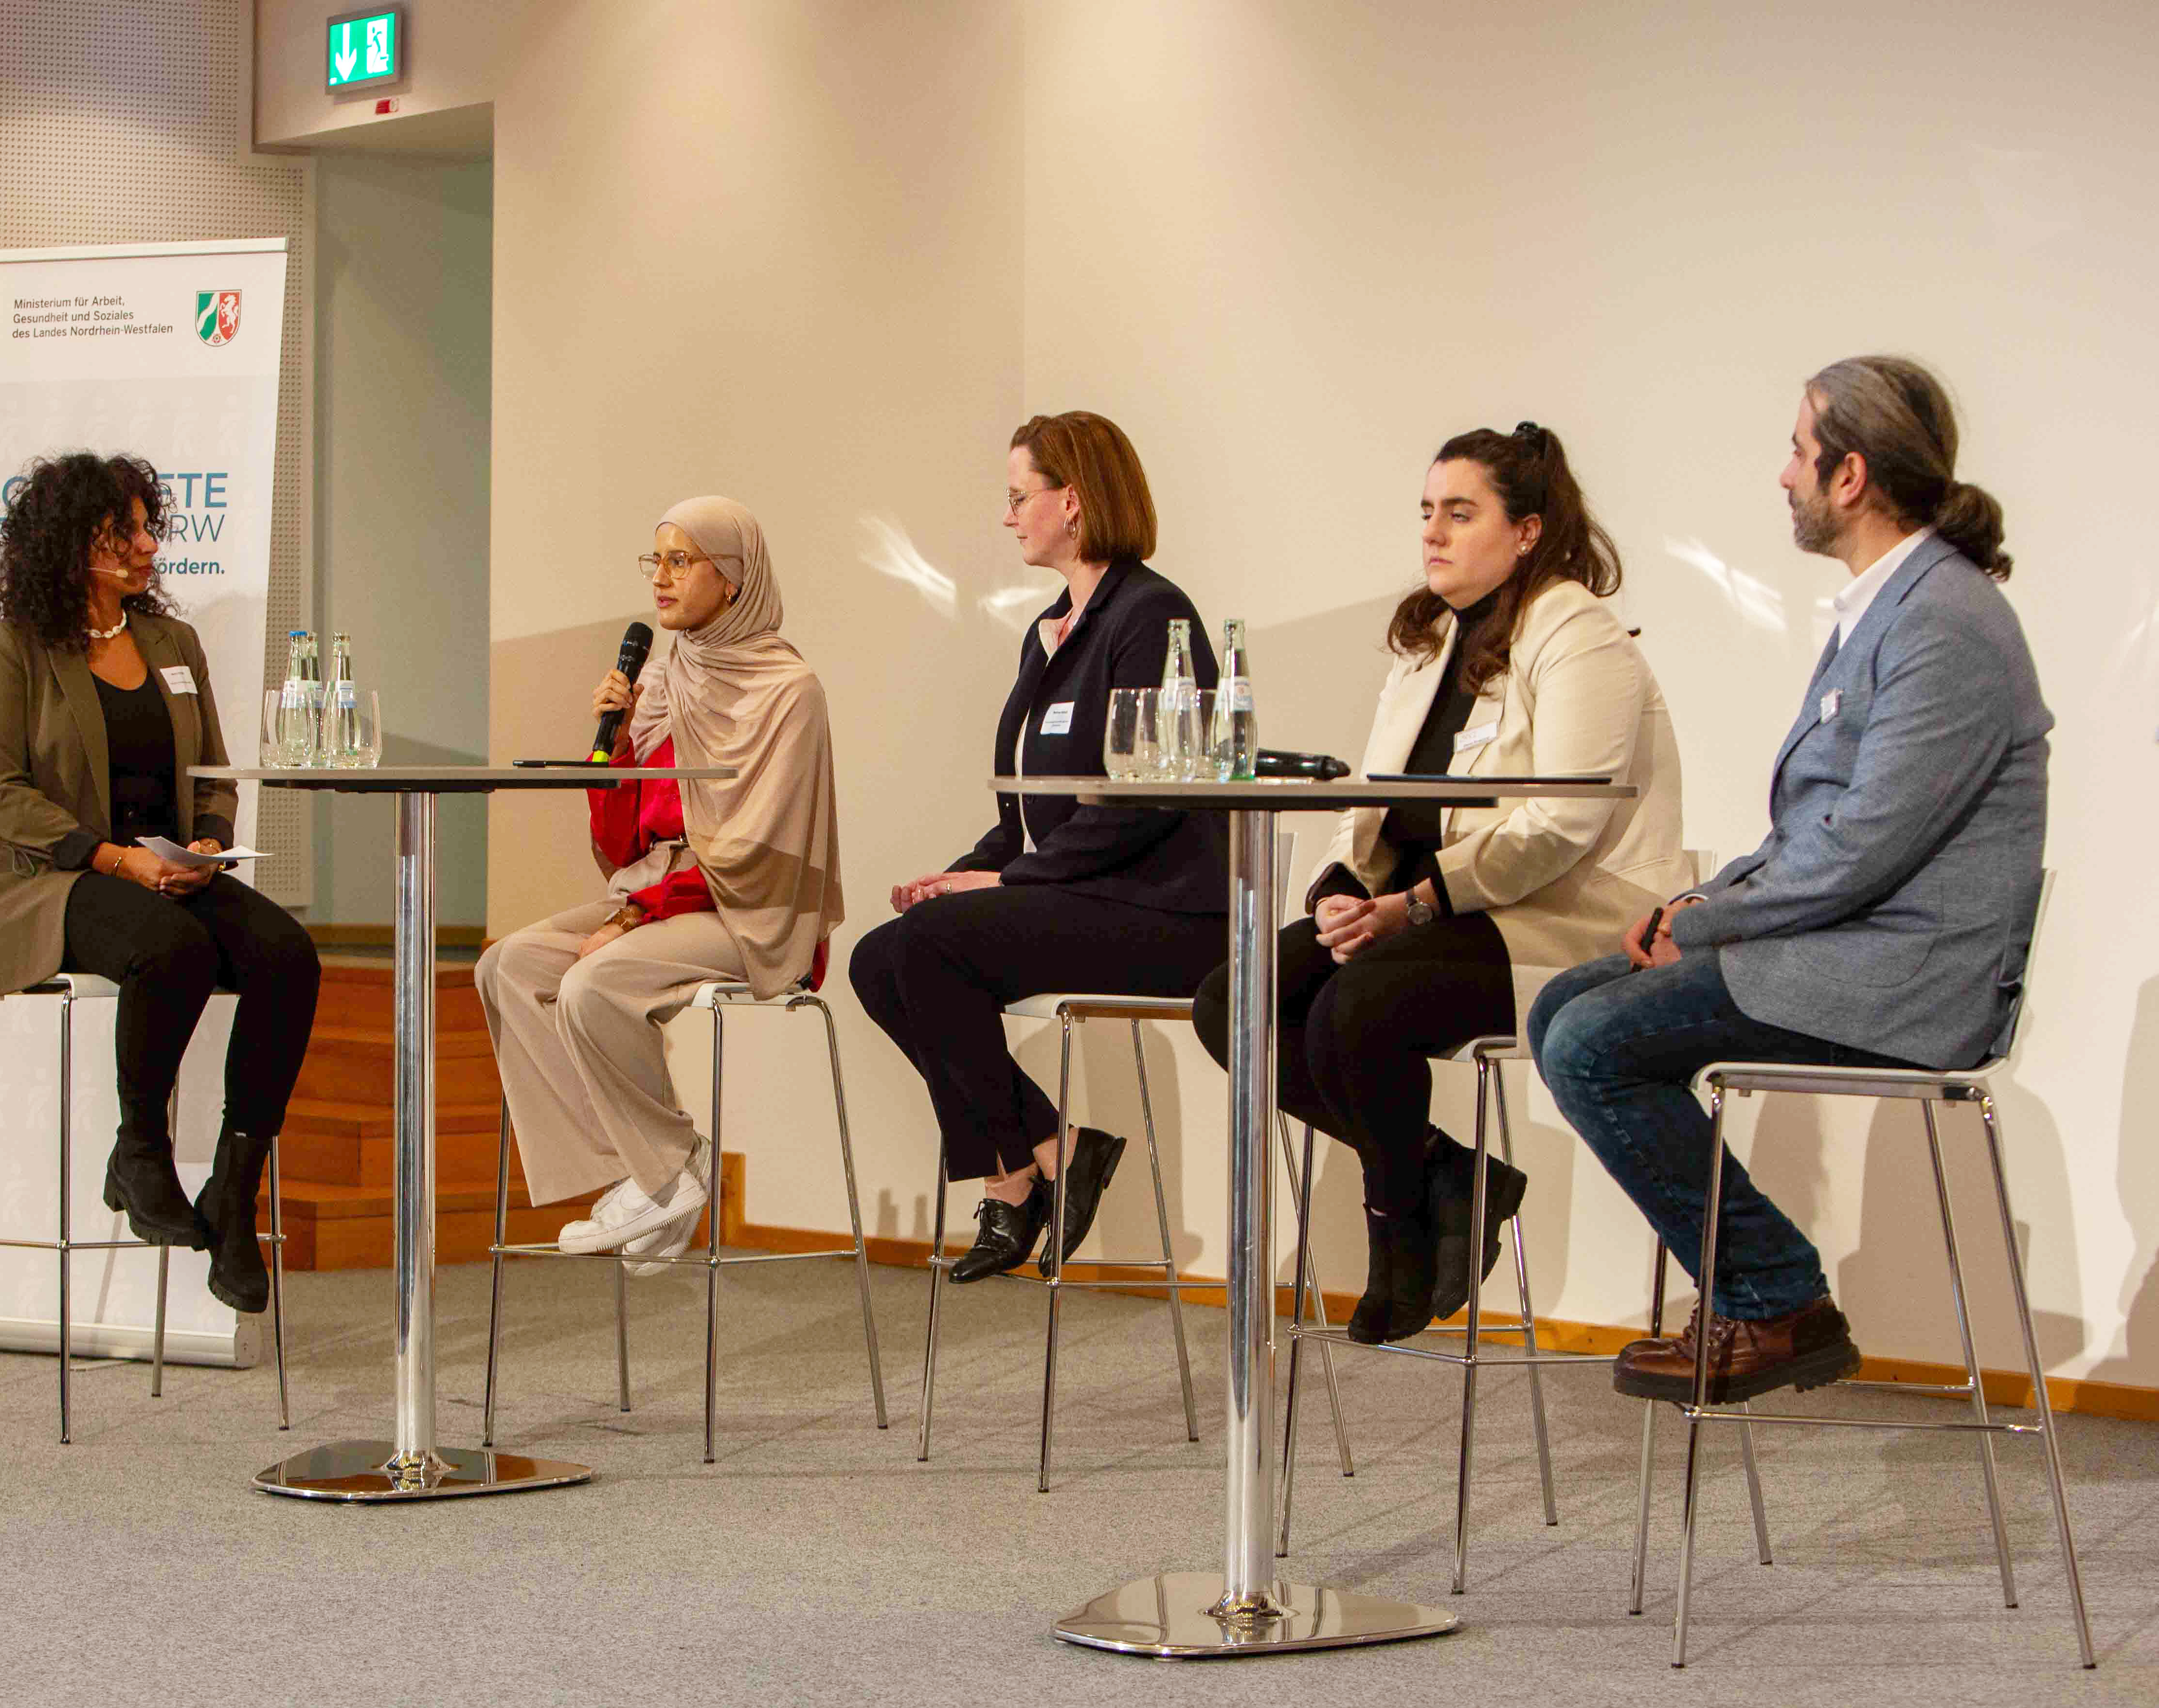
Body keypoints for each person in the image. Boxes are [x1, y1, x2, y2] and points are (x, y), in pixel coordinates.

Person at [1530, 356, 2049, 1403]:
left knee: (1592, 1043)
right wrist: (1697, 904)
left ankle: (1772, 1301)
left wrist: (1713, 921)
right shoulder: (1891, 606)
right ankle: (1767, 1298)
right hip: (1857, 944)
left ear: (1848, 476)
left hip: (1905, 974)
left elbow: (1862, 845)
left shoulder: (1939, 621)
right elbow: (1815, 824)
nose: (1781, 476)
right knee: (1563, 1006)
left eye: (1796, 452)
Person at [1192, 424, 1685, 1344]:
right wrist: (1342, 884)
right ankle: (1444, 1175)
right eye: (1427, 512)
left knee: (1359, 1003)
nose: (1433, 533)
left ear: (1527, 531)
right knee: (1233, 998)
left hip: (1559, 919)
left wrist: (1412, 904)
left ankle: (1396, 1239)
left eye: (1461, 513)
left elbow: (1562, 822)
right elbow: (1376, 801)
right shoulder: (1426, 643)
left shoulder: (1578, 631)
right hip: (1421, 908)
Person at [851, 412, 1227, 1284]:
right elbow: (1030, 805)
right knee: (879, 959)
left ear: (1075, 500)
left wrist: (1006, 878)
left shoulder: (1152, 615)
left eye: (1020, 498)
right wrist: (968, 868)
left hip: (1168, 911)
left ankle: (1014, 1177)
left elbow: (1147, 799)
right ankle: (1050, 1151)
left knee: (934, 951)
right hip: (1080, 895)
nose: (1009, 516)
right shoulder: (1046, 630)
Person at [0, 452, 319, 1313]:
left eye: (150, 527)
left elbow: (214, 769)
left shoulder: (169, 641)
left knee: (288, 954)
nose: (151, 544)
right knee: (173, 950)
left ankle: (234, 1192)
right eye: (128, 532)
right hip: (53, 875)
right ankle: (140, 1150)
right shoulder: (14, 647)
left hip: (168, 868)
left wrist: (207, 839)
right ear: (72, 543)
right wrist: (118, 859)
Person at [475, 497, 843, 1272]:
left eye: (682, 561)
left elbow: (753, 849)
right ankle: (644, 1173)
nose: (663, 579)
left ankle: (668, 1168)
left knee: (592, 983)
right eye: (657, 561)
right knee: (506, 967)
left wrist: (637, 915)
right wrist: (611, 748)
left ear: (734, 578)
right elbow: (620, 848)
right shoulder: (667, 681)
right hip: (659, 894)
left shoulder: (787, 691)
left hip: (752, 911)